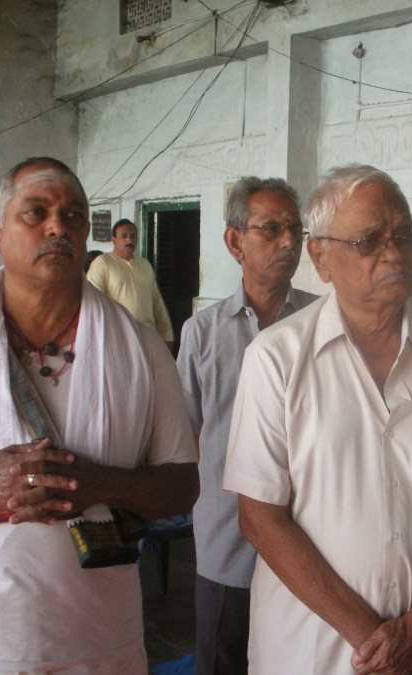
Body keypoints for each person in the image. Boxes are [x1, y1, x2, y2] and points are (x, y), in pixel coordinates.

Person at [0, 157, 199, 674]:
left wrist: (99, 484)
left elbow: (182, 488)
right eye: (37, 212)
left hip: (101, 640)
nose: (58, 227)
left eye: (73, 216)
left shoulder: (141, 349)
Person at [223, 164, 412, 674]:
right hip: (308, 655)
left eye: (403, 237)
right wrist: (380, 644)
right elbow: (260, 519)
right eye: (369, 240)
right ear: (320, 257)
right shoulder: (276, 357)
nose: (393, 253)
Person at [176, 176, 317, 674]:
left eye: (295, 230)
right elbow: (186, 434)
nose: (289, 242)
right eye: (271, 229)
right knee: (224, 659)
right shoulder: (203, 333)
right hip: (228, 538)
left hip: (311, 540)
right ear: (235, 242)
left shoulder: (322, 322)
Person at [87, 218, 174, 349]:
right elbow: (93, 302)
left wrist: (166, 334)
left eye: (133, 236)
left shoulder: (144, 265)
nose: (129, 240)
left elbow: (156, 302)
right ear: (113, 240)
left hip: (148, 336)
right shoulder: (103, 263)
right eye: (124, 236)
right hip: (118, 337)